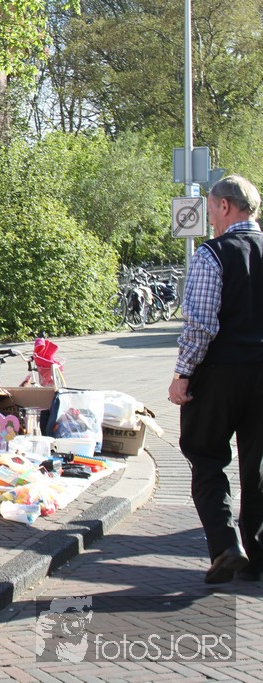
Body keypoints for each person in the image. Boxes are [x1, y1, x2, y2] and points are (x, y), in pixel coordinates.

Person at [168, 174, 263, 584]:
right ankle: (256, 556)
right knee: (257, 467)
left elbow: (201, 325)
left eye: (210, 210)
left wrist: (182, 374)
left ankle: (226, 545)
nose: (210, 219)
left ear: (225, 206)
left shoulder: (213, 254)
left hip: (221, 372)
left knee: (205, 455)